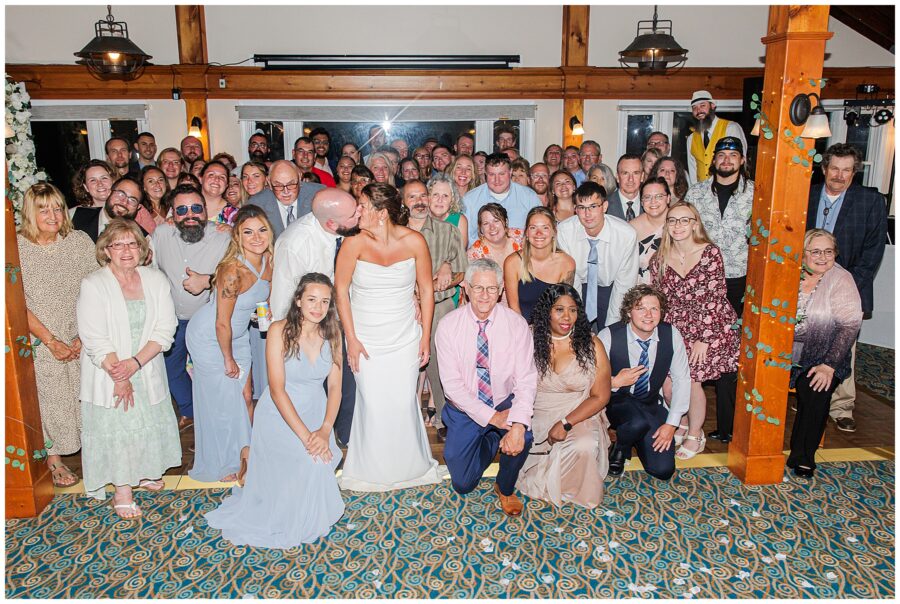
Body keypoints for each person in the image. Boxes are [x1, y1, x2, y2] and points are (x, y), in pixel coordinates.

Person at [205, 273, 345, 547]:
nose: (317, 307)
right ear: (298, 301)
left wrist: (325, 430)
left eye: (324, 301)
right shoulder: (279, 330)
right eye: (311, 299)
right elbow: (277, 389)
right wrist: (308, 438)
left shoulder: (334, 333)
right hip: (280, 414)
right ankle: (253, 458)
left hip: (315, 410)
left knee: (317, 463)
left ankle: (254, 460)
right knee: (311, 460)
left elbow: (336, 387)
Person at [334, 183, 441, 491]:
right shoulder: (353, 244)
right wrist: (350, 339)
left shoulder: (414, 241)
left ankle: (410, 465)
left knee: (402, 401)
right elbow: (341, 291)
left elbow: (427, 290)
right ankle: (371, 467)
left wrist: (424, 337)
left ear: (381, 214)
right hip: (366, 338)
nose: (358, 211)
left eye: (363, 206)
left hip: (405, 335)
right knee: (373, 403)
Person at [77, 219, 181, 517]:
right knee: (119, 426)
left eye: (132, 243)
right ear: (106, 250)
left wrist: (134, 364)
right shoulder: (93, 284)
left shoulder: (155, 279)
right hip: (106, 370)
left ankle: (146, 471)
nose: (126, 250)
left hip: (145, 365)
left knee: (146, 420)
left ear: (142, 248)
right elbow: (94, 337)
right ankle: (122, 490)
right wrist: (118, 375)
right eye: (118, 244)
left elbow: (165, 328)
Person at [435, 258, 536, 516]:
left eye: (491, 288)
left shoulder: (516, 325)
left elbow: (526, 379)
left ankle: (505, 487)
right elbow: (452, 388)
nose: (484, 295)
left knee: (522, 436)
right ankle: (492, 438)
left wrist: (518, 424)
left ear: (501, 289)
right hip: (464, 408)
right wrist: (493, 419)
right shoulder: (448, 326)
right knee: (463, 483)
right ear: (466, 288)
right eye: (478, 288)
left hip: (504, 400)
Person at [186, 205, 273, 483]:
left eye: (261, 230)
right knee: (224, 401)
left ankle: (247, 452)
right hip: (211, 338)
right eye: (248, 232)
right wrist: (228, 358)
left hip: (238, 335)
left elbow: (263, 299)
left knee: (246, 396)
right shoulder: (232, 270)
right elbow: (221, 322)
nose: (257, 237)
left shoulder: (270, 259)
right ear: (238, 236)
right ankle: (228, 461)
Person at [18, 184, 97, 488]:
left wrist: (82, 335)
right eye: (43, 209)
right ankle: (53, 460)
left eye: (57, 207)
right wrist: (50, 340)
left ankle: (95, 453)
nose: (52, 215)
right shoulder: (16, 247)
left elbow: (95, 288)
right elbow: (13, 302)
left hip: (79, 332)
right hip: (39, 338)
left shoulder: (77, 241)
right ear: (30, 212)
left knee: (84, 393)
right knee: (49, 397)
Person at [805, 143, 888, 433]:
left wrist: (848, 286)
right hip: (806, 284)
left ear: (855, 172)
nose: (840, 175)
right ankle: (808, 394)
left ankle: (841, 407)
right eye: (835, 169)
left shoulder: (870, 202)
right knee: (805, 340)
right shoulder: (807, 193)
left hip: (848, 286)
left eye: (847, 170)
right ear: (824, 169)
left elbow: (873, 251)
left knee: (843, 347)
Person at [270, 188, 361, 445]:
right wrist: (290, 342)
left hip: (343, 319)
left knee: (346, 384)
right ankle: (313, 438)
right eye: (354, 214)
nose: (360, 215)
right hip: (308, 327)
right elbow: (284, 296)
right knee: (316, 386)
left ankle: (346, 439)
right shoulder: (295, 243)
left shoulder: (348, 232)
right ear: (331, 223)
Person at [649, 202, 739, 454]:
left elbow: (716, 297)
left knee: (692, 382)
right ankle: (684, 424)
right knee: (668, 387)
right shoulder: (659, 258)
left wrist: (704, 339)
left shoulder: (710, 253)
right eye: (672, 220)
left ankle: (696, 435)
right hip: (674, 329)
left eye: (684, 220)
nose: (678, 225)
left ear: (695, 224)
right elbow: (657, 299)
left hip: (708, 328)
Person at [517, 284, 612, 508]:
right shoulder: (528, 339)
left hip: (578, 413)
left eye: (572, 310)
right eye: (559, 309)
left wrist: (565, 422)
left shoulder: (592, 344)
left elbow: (600, 396)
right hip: (536, 415)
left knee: (584, 445)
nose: (567, 316)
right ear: (547, 311)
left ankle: (574, 489)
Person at [150, 185, 231, 425]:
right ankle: (191, 411)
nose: (190, 215)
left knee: (212, 374)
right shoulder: (161, 235)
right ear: (172, 215)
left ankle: (216, 420)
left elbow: (241, 275)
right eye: (182, 210)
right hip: (172, 319)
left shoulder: (225, 236)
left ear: (205, 210)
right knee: (169, 370)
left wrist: (208, 281)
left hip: (209, 320)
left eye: (196, 208)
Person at [787, 229, 862, 478]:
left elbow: (849, 326)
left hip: (824, 356)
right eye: (815, 251)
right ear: (803, 253)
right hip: (783, 353)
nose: (822, 257)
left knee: (815, 388)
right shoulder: (789, 272)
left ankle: (803, 456)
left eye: (828, 251)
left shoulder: (841, 279)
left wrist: (829, 365)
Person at [599, 284, 690, 480]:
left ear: (661, 312)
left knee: (662, 470)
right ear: (629, 312)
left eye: (654, 308)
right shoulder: (608, 335)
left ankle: (635, 437)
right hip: (616, 402)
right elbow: (589, 380)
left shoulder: (671, 334)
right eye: (640, 308)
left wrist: (671, 424)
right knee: (636, 421)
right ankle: (621, 450)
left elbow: (682, 379)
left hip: (650, 403)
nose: (648, 314)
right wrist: (615, 381)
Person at [402, 179, 467, 436]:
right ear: (404, 202)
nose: (419, 201)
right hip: (403, 308)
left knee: (441, 364)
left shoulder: (447, 231)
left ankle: (445, 418)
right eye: (413, 197)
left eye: (422, 196)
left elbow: (461, 273)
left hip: (440, 307)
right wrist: (414, 295)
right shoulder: (395, 232)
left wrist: (442, 282)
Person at [684, 136, 754, 317]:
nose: (726, 160)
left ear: (742, 160)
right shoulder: (696, 192)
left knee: (736, 330)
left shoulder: (756, 194)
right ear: (714, 160)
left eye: (733, 155)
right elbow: (684, 233)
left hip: (741, 276)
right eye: (721, 155)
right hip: (703, 274)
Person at [556, 181, 638, 333]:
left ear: (604, 207)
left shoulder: (626, 235)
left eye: (593, 207)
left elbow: (625, 283)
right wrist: (576, 318)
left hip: (611, 288)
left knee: (613, 335)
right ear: (575, 209)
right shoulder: (564, 231)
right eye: (582, 208)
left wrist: (612, 329)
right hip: (579, 284)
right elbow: (571, 279)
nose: (587, 214)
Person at [505, 206, 575, 323]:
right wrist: (526, 333)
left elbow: (562, 308)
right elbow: (514, 309)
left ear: (554, 231)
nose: (538, 233)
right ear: (526, 232)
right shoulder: (513, 263)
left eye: (545, 228)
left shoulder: (567, 263)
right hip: (521, 327)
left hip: (553, 328)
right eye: (533, 228)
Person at [462, 153, 541, 243]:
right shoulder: (470, 199)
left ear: (510, 172)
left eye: (501, 174)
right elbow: (465, 239)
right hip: (482, 255)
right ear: (485, 174)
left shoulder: (529, 197)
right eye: (492, 174)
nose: (497, 180)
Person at [249, 160, 325, 238]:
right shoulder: (256, 205)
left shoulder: (320, 195)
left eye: (291, 184)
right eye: (278, 185)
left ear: (299, 178)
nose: (286, 191)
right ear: (269, 182)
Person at [686, 90, 747, 183]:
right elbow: (692, 169)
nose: (698, 111)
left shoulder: (731, 128)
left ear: (712, 106)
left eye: (702, 105)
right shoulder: (691, 138)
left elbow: (741, 161)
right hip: (703, 193)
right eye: (694, 108)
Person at [467, 202, 524, 300]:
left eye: (496, 221)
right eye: (486, 223)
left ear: (506, 222)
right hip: (490, 303)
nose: (492, 227)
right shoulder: (474, 255)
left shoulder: (520, 237)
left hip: (524, 298)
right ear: (481, 229)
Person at [630, 177, 670, 284]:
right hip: (641, 291)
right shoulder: (631, 229)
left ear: (668, 198)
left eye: (659, 196)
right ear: (642, 202)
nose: (653, 201)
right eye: (647, 197)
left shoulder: (679, 224)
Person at [70, 160, 115, 241]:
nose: (100, 184)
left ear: (113, 181)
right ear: (85, 187)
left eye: (104, 178)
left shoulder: (128, 210)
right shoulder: (73, 215)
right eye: (93, 180)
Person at [427, 172, 468, 250]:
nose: (440, 200)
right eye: (435, 194)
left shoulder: (459, 220)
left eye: (445, 196)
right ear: (428, 197)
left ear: (452, 200)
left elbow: (459, 254)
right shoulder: (419, 218)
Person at [606, 154, 644, 221]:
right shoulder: (605, 205)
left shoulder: (651, 204)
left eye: (636, 173)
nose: (630, 179)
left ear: (642, 176)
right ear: (617, 177)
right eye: (625, 173)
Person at [200, 161, 237, 226]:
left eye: (222, 177)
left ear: (226, 185)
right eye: (211, 175)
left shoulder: (235, 214)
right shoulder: (187, 208)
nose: (217, 179)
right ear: (200, 179)